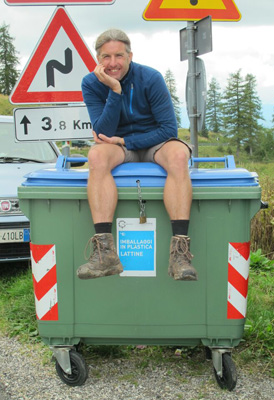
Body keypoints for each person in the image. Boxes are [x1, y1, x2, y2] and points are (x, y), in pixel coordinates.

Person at [76, 29, 198, 281]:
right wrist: (114, 90)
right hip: (117, 146)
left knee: (178, 155)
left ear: (130, 55)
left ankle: (179, 254)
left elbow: (168, 129)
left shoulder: (150, 77)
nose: (112, 63)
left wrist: (127, 139)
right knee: (96, 156)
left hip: (155, 143)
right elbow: (103, 131)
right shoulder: (90, 83)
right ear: (97, 58)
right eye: (105, 57)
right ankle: (105, 254)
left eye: (118, 55)